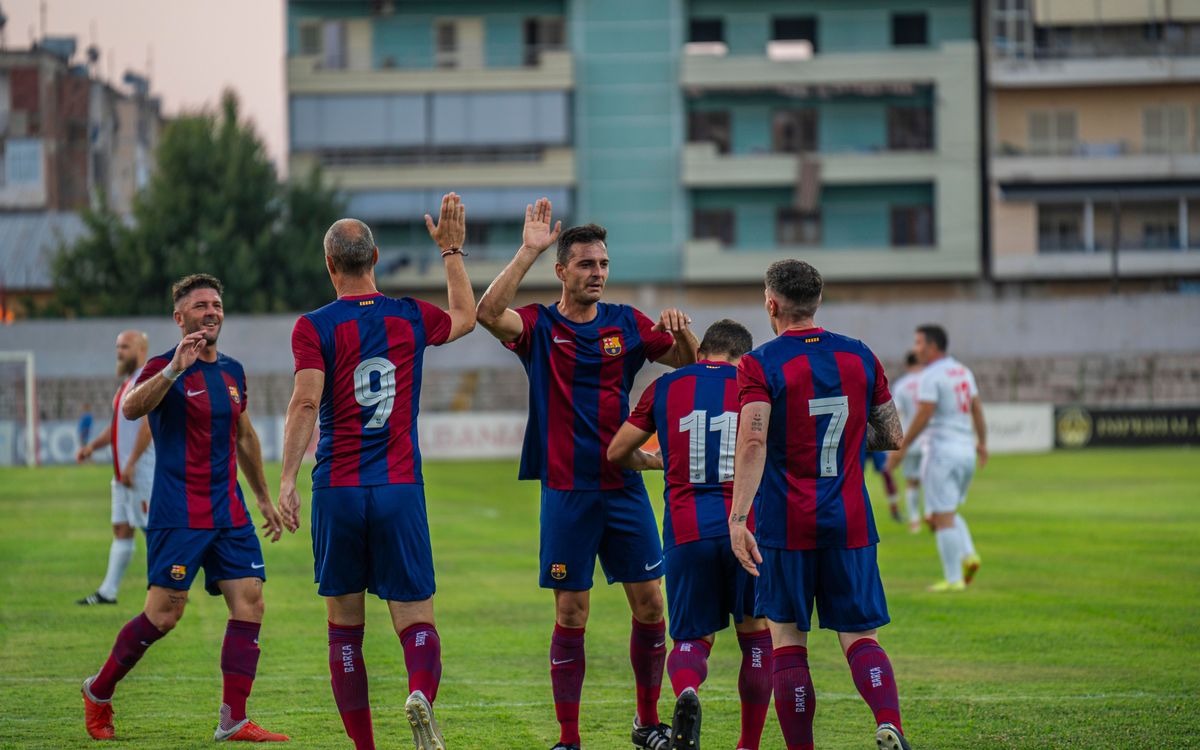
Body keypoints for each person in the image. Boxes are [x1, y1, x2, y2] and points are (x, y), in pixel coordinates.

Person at [475, 198, 699, 750]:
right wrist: (528, 250)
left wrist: (683, 332)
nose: (597, 273)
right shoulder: (539, 325)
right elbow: (486, 313)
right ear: (562, 271)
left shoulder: (627, 322)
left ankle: (647, 724)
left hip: (623, 489)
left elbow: (689, 369)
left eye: (602, 264)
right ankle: (569, 739)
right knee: (572, 612)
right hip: (567, 492)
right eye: (585, 265)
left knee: (651, 606)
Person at [278, 195, 476, 750]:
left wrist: (289, 479)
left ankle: (366, 748)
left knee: (345, 628)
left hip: (338, 490)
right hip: (398, 488)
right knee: (415, 617)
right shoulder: (409, 315)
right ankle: (419, 693)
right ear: (377, 259)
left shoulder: (313, 326)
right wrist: (452, 251)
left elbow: (304, 403)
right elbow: (466, 316)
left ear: (329, 265)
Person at [81, 274, 289, 743]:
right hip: (179, 512)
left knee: (251, 603)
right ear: (180, 318)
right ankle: (98, 691)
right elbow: (132, 410)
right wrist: (174, 369)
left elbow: (245, 437)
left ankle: (232, 718)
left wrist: (261, 497)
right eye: (200, 306)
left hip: (230, 512)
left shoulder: (233, 371)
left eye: (216, 304)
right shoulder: (162, 365)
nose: (211, 311)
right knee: (164, 615)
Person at [728, 259, 912, 750]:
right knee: (861, 636)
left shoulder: (759, 362)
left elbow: (752, 442)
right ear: (818, 301)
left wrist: (738, 517)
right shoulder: (860, 356)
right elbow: (893, 434)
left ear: (771, 304)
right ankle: (888, 720)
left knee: (787, 642)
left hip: (785, 525)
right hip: (849, 520)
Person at [608, 319, 774, 750]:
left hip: (686, 530)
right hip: (747, 528)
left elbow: (617, 451)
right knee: (755, 634)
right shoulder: (754, 384)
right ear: (744, 356)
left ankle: (687, 690)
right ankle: (748, 745)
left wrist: (653, 462)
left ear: (702, 354)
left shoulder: (667, 386)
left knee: (690, 639)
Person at [886, 325, 986, 592]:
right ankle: (968, 554)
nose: (915, 348)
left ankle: (953, 579)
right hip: (966, 450)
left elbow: (924, 413)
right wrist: (983, 443)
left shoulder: (931, 375)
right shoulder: (962, 371)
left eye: (918, 342)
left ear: (932, 346)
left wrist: (902, 449)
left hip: (941, 450)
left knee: (941, 516)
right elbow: (976, 407)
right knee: (947, 511)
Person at [75, 330, 156, 605]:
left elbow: (148, 426)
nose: (119, 351)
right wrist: (92, 448)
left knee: (152, 529)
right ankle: (108, 592)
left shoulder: (147, 380)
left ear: (141, 349)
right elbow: (118, 427)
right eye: (118, 346)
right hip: (122, 474)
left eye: (125, 346)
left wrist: (132, 462)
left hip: (141, 470)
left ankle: (169, 587)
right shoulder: (127, 384)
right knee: (122, 530)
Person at [891, 351, 927, 533]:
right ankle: (931, 514)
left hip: (910, 439)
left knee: (911, 480)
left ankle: (914, 521)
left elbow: (896, 413)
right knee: (929, 479)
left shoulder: (902, 385)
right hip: (929, 438)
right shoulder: (929, 380)